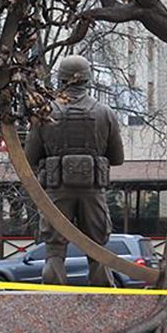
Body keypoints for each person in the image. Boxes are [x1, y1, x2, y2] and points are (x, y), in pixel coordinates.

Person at [24, 55, 125, 286]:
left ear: (61, 79)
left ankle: (53, 292)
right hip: (92, 190)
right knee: (97, 246)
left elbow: (30, 157)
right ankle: (102, 295)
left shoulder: (44, 113)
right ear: (88, 79)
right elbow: (117, 158)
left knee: (54, 248)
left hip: (57, 189)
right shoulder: (105, 113)